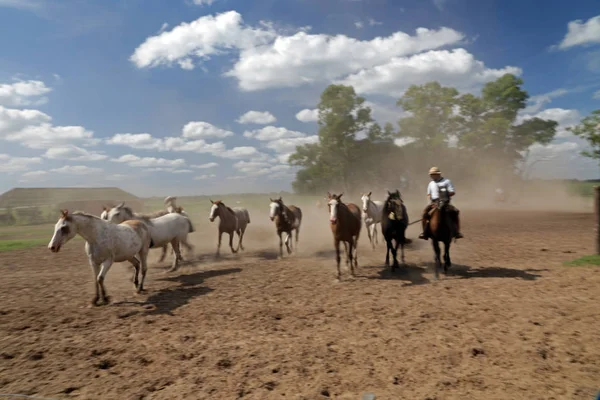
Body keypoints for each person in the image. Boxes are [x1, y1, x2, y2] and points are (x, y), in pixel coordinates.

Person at [418, 166, 463, 240]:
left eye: (433, 174)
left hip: (445, 203)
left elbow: (452, 192)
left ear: (438, 174)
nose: (431, 176)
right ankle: (424, 233)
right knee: (425, 214)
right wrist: (431, 203)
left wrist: (445, 195)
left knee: (455, 212)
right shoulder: (431, 184)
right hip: (434, 203)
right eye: (431, 175)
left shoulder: (447, 181)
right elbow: (429, 195)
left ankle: (457, 232)